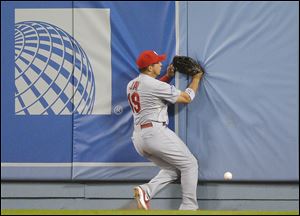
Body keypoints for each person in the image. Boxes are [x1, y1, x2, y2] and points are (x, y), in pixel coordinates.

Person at [126, 50, 204, 210]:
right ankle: (189, 208)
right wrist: (197, 78)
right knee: (190, 164)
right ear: (149, 68)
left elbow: (151, 90)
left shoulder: (132, 84)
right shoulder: (155, 85)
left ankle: (146, 191)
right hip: (155, 133)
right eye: (157, 62)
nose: (161, 63)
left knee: (173, 169)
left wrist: (167, 77)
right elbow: (186, 98)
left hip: (139, 139)